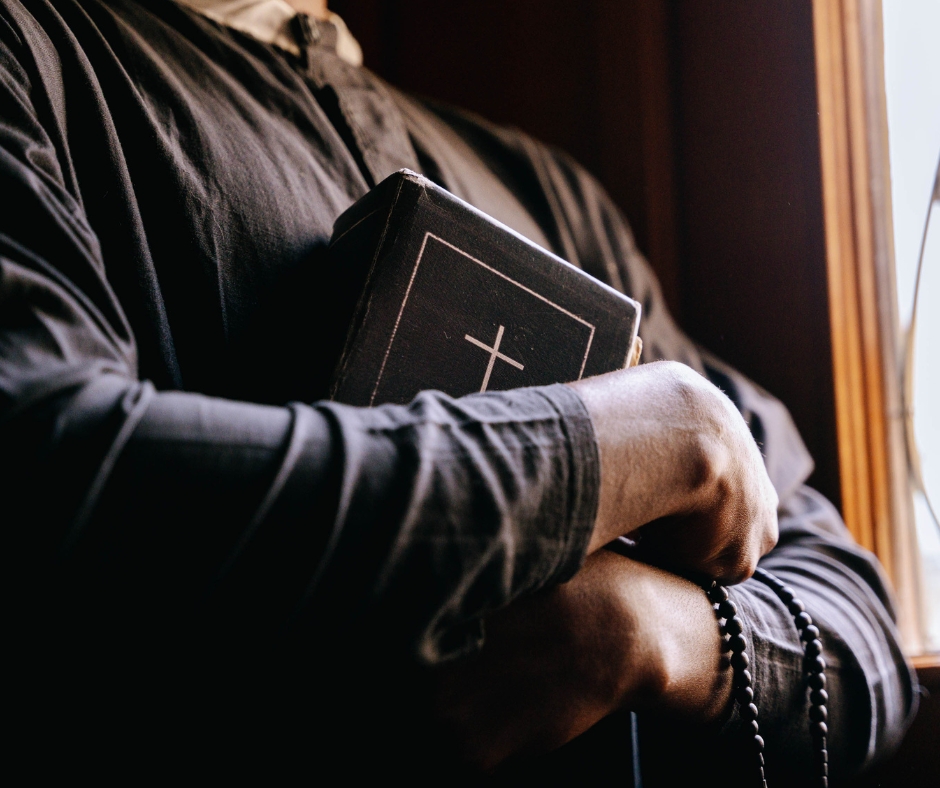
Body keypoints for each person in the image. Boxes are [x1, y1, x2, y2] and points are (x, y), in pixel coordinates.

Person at [0, 0, 915, 783]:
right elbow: (53, 478)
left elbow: (860, 627)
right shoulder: (34, 55)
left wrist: (652, 635)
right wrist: (603, 452)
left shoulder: (552, 193)